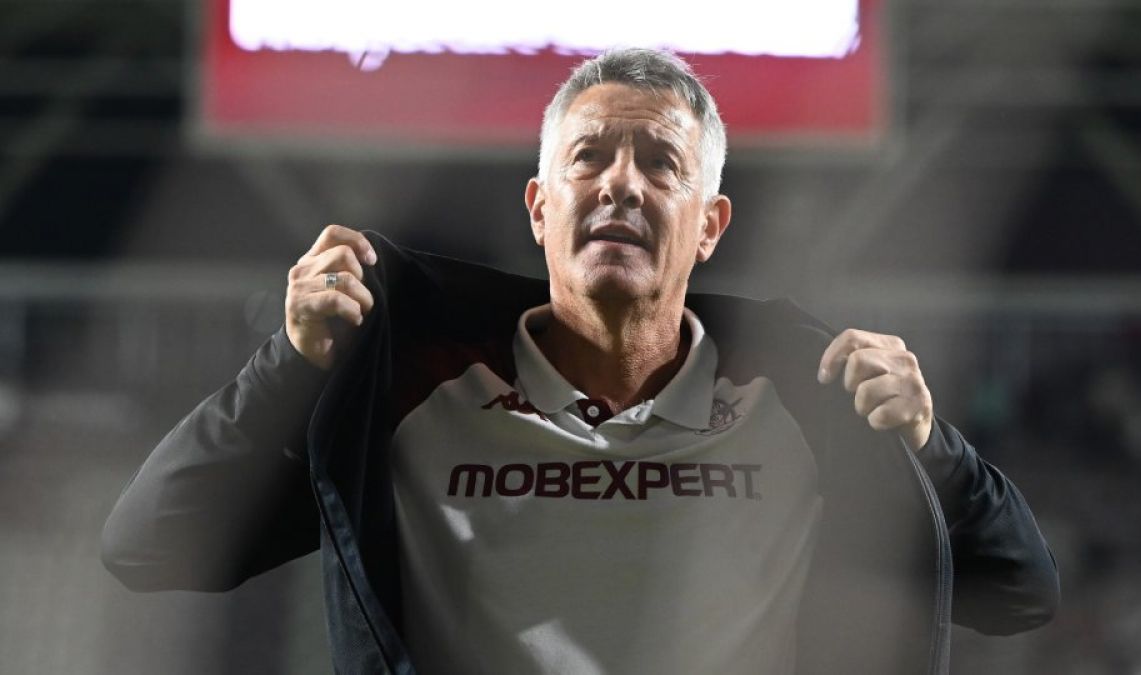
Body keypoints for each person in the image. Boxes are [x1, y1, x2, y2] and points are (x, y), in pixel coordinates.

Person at [102, 48, 1059, 673]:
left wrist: (930, 444)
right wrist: (291, 363)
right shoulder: (411, 394)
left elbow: (1020, 590)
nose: (620, 184)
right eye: (589, 157)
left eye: (661, 163)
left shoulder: (804, 401)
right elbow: (149, 542)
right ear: (539, 208)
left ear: (710, 224)